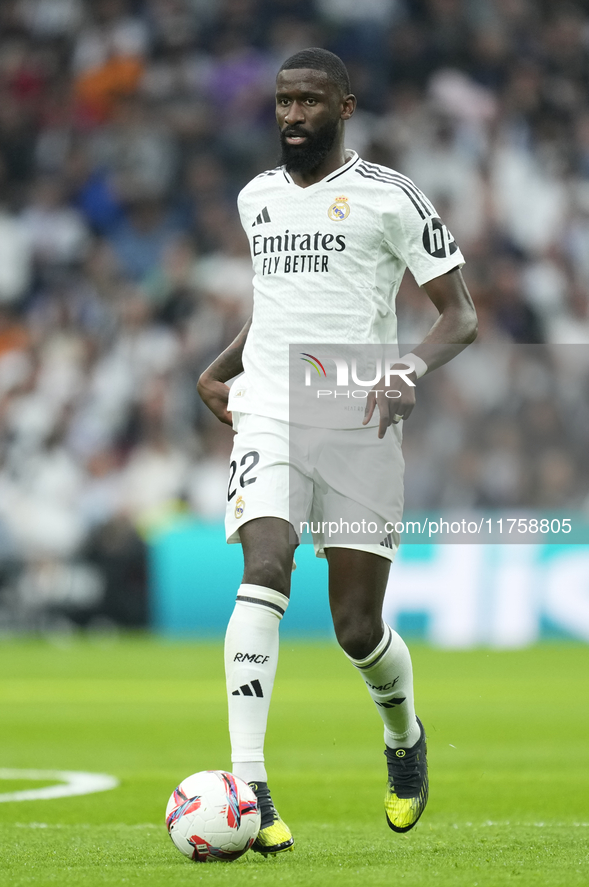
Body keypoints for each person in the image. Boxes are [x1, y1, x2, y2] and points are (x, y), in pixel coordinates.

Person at [198, 47, 478, 856]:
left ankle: (402, 735)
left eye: (310, 102)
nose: (292, 115)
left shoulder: (391, 198)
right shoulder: (257, 198)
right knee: (265, 567)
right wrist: (217, 371)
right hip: (272, 410)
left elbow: (458, 317)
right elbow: (276, 308)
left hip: (356, 412)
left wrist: (406, 367)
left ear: (344, 107)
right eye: (283, 101)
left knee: (356, 627)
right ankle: (248, 783)